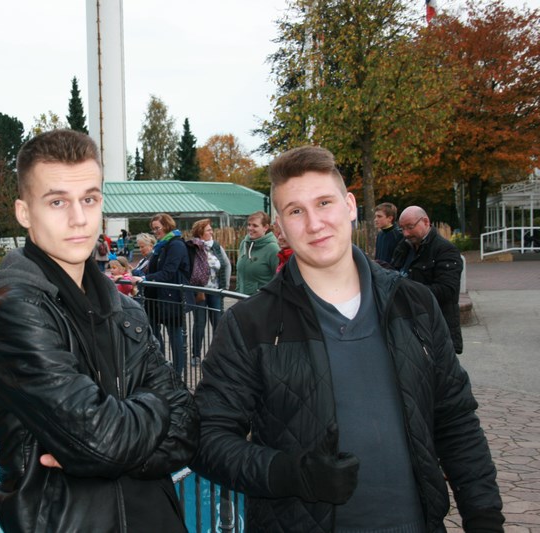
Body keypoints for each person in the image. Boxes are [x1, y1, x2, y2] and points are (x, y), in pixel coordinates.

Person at [192, 145, 503, 532]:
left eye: (324, 203)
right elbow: (207, 438)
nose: (314, 223)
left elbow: (456, 421)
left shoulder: (414, 304)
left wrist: (484, 517)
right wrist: (289, 473)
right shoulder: (249, 324)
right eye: (295, 211)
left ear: (350, 206)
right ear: (281, 226)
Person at [0, 129, 198, 533]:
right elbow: (103, 442)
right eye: (57, 202)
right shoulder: (15, 312)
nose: (78, 219)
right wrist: (155, 409)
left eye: (89, 199)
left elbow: (188, 429)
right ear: (24, 213)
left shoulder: (126, 310)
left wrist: (110, 443)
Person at [391, 205, 464, 354]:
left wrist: (407, 291)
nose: (405, 233)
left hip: (436, 330)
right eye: (402, 228)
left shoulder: (445, 250)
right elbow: (392, 273)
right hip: (408, 328)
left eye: (410, 227)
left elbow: (447, 290)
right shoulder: (404, 247)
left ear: (425, 222)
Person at [140, 213, 192, 378]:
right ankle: (161, 369)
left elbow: (168, 272)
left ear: (167, 226)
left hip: (172, 297)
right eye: (153, 229)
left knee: (175, 335)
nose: (155, 231)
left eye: (157, 228)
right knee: (155, 334)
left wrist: (145, 279)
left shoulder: (176, 245)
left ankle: (177, 373)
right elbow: (154, 269)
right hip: (156, 297)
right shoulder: (160, 246)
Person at [188, 219, 231, 366]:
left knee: (218, 323)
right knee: (199, 323)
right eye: (208, 230)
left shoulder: (216, 247)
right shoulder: (193, 247)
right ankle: (195, 355)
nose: (211, 232)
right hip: (199, 291)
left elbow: (226, 264)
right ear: (200, 232)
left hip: (215, 290)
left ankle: (218, 354)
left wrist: (225, 286)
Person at [236, 210, 280, 295]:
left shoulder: (273, 249)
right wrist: (238, 292)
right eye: (249, 224)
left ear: (265, 227)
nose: (250, 228)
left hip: (262, 300)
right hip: (242, 299)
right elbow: (239, 275)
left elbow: (279, 279)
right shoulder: (244, 244)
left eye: (255, 225)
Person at [374, 202, 403, 266]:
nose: (375, 219)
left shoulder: (398, 236)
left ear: (390, 218)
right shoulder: (380, 234)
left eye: (379, 216)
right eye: (375, 216)